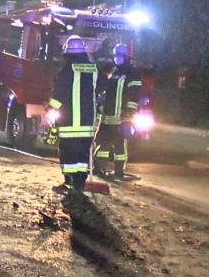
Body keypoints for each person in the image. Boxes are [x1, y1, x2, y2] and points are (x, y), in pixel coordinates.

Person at [48, 35, 102, 193]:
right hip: (88, 121)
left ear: (67, 52)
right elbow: (101, 88)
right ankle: (79, 185)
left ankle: (69, 182)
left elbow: (59, 94)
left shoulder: (66, 70)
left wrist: (50, 110)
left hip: (69, 121)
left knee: (68, 152)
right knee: (83, 154)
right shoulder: (94, 69)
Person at [94, 44, 142, 180]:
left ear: (126, 57)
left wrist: (129, 113)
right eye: (115, 55)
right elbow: (107, 92)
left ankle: (119, 172)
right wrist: (100, 105)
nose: (116, 58)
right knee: (102, 142)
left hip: (121, 118)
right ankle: (99, 168)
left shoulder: (132, 73)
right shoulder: (114, 72)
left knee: (119, 146)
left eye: (119, 56)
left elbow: (134, 95)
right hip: (107, 117)